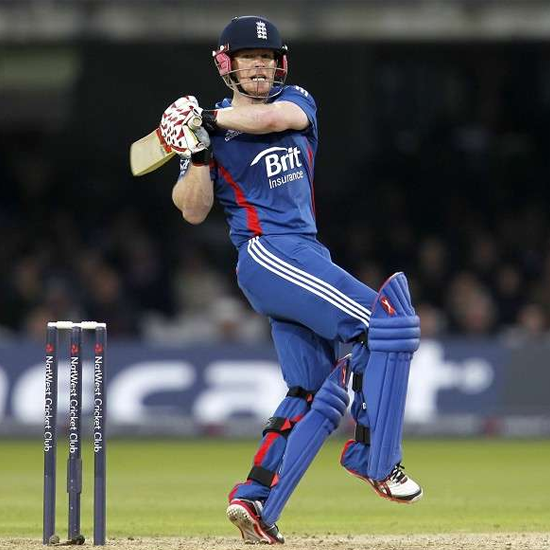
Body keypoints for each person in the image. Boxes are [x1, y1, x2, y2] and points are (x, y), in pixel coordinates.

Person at [161, 15, 423, 545]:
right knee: (390, 323)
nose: (259, 66)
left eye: (266, 57)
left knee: (312, 387)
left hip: (304, 254)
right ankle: (375, 457)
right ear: (226, 65)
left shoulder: (296, 102)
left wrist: (206, 118)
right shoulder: (208, 137)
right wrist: (193, 153)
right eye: (247, 58)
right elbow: (192, 210)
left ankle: (255, 500)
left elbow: (270, 119)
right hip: (268, 253)